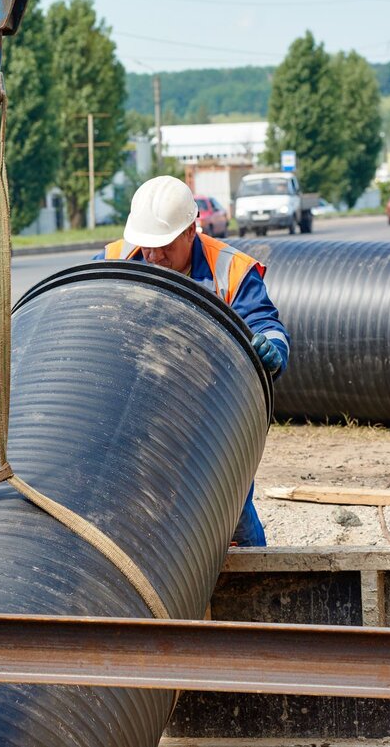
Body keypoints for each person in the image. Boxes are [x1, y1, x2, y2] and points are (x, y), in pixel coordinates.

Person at [95, 175, 290, 547]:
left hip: (208, 411)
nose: (152, 257)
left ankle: (256, 581)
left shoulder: (230, 271)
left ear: (190, 231)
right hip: (135, 405)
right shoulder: (114, 259)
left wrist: (273, 349)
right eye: (146, 246)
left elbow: (265, 323)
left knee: (225, 504)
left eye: (162, 246)